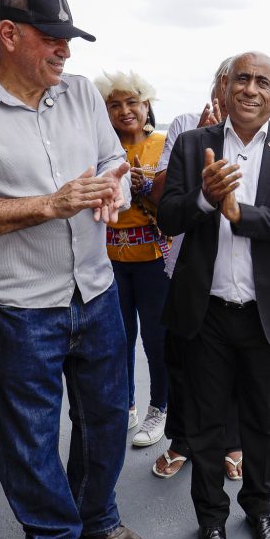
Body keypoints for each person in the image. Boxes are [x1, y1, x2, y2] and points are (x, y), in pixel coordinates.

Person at [0, 0, 143, 539]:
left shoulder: (82, 94)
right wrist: (51, 204)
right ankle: (51, 536)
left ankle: (98, 519)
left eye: (68, 39)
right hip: (18, 307)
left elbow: (112, 157)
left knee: (106, 419)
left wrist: (114, 184)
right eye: (52, 38)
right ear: (10, 35)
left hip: (96, 292)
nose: (65, 51)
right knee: (28, 439)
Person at [158, 51, 270, 539]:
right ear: (224, 89)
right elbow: (167, 217)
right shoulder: (191, 145)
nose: (250, 89)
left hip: (264, 316)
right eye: (241, 79)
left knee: (262, 422)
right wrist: (206, 198)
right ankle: (211, 520)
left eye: (262, 82)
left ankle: (261, 512)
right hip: (204, 313)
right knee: (205, 425)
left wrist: (238, 213)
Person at [153, 56, 244, 483]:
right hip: (186, 266)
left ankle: (232, 442)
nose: (234, 90)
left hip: (238, 269)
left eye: (245, 82)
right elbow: (160, 196)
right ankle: (181, 440)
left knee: (235, 363)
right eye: (227, 81)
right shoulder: (185, 125)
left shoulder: (263, 136)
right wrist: (198, 136)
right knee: (184, 358)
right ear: (216, 85)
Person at [93, 70, 171, 445]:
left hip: (155, 259)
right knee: (117, 337)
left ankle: (160, 407)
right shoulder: (99, 148)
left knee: (157, 338)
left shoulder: (164, 143)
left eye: (132, 103)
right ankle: (125, 406)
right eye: (114, 104)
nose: (124, 111)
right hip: (109, 259)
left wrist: (148, 189)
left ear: (146, 106)